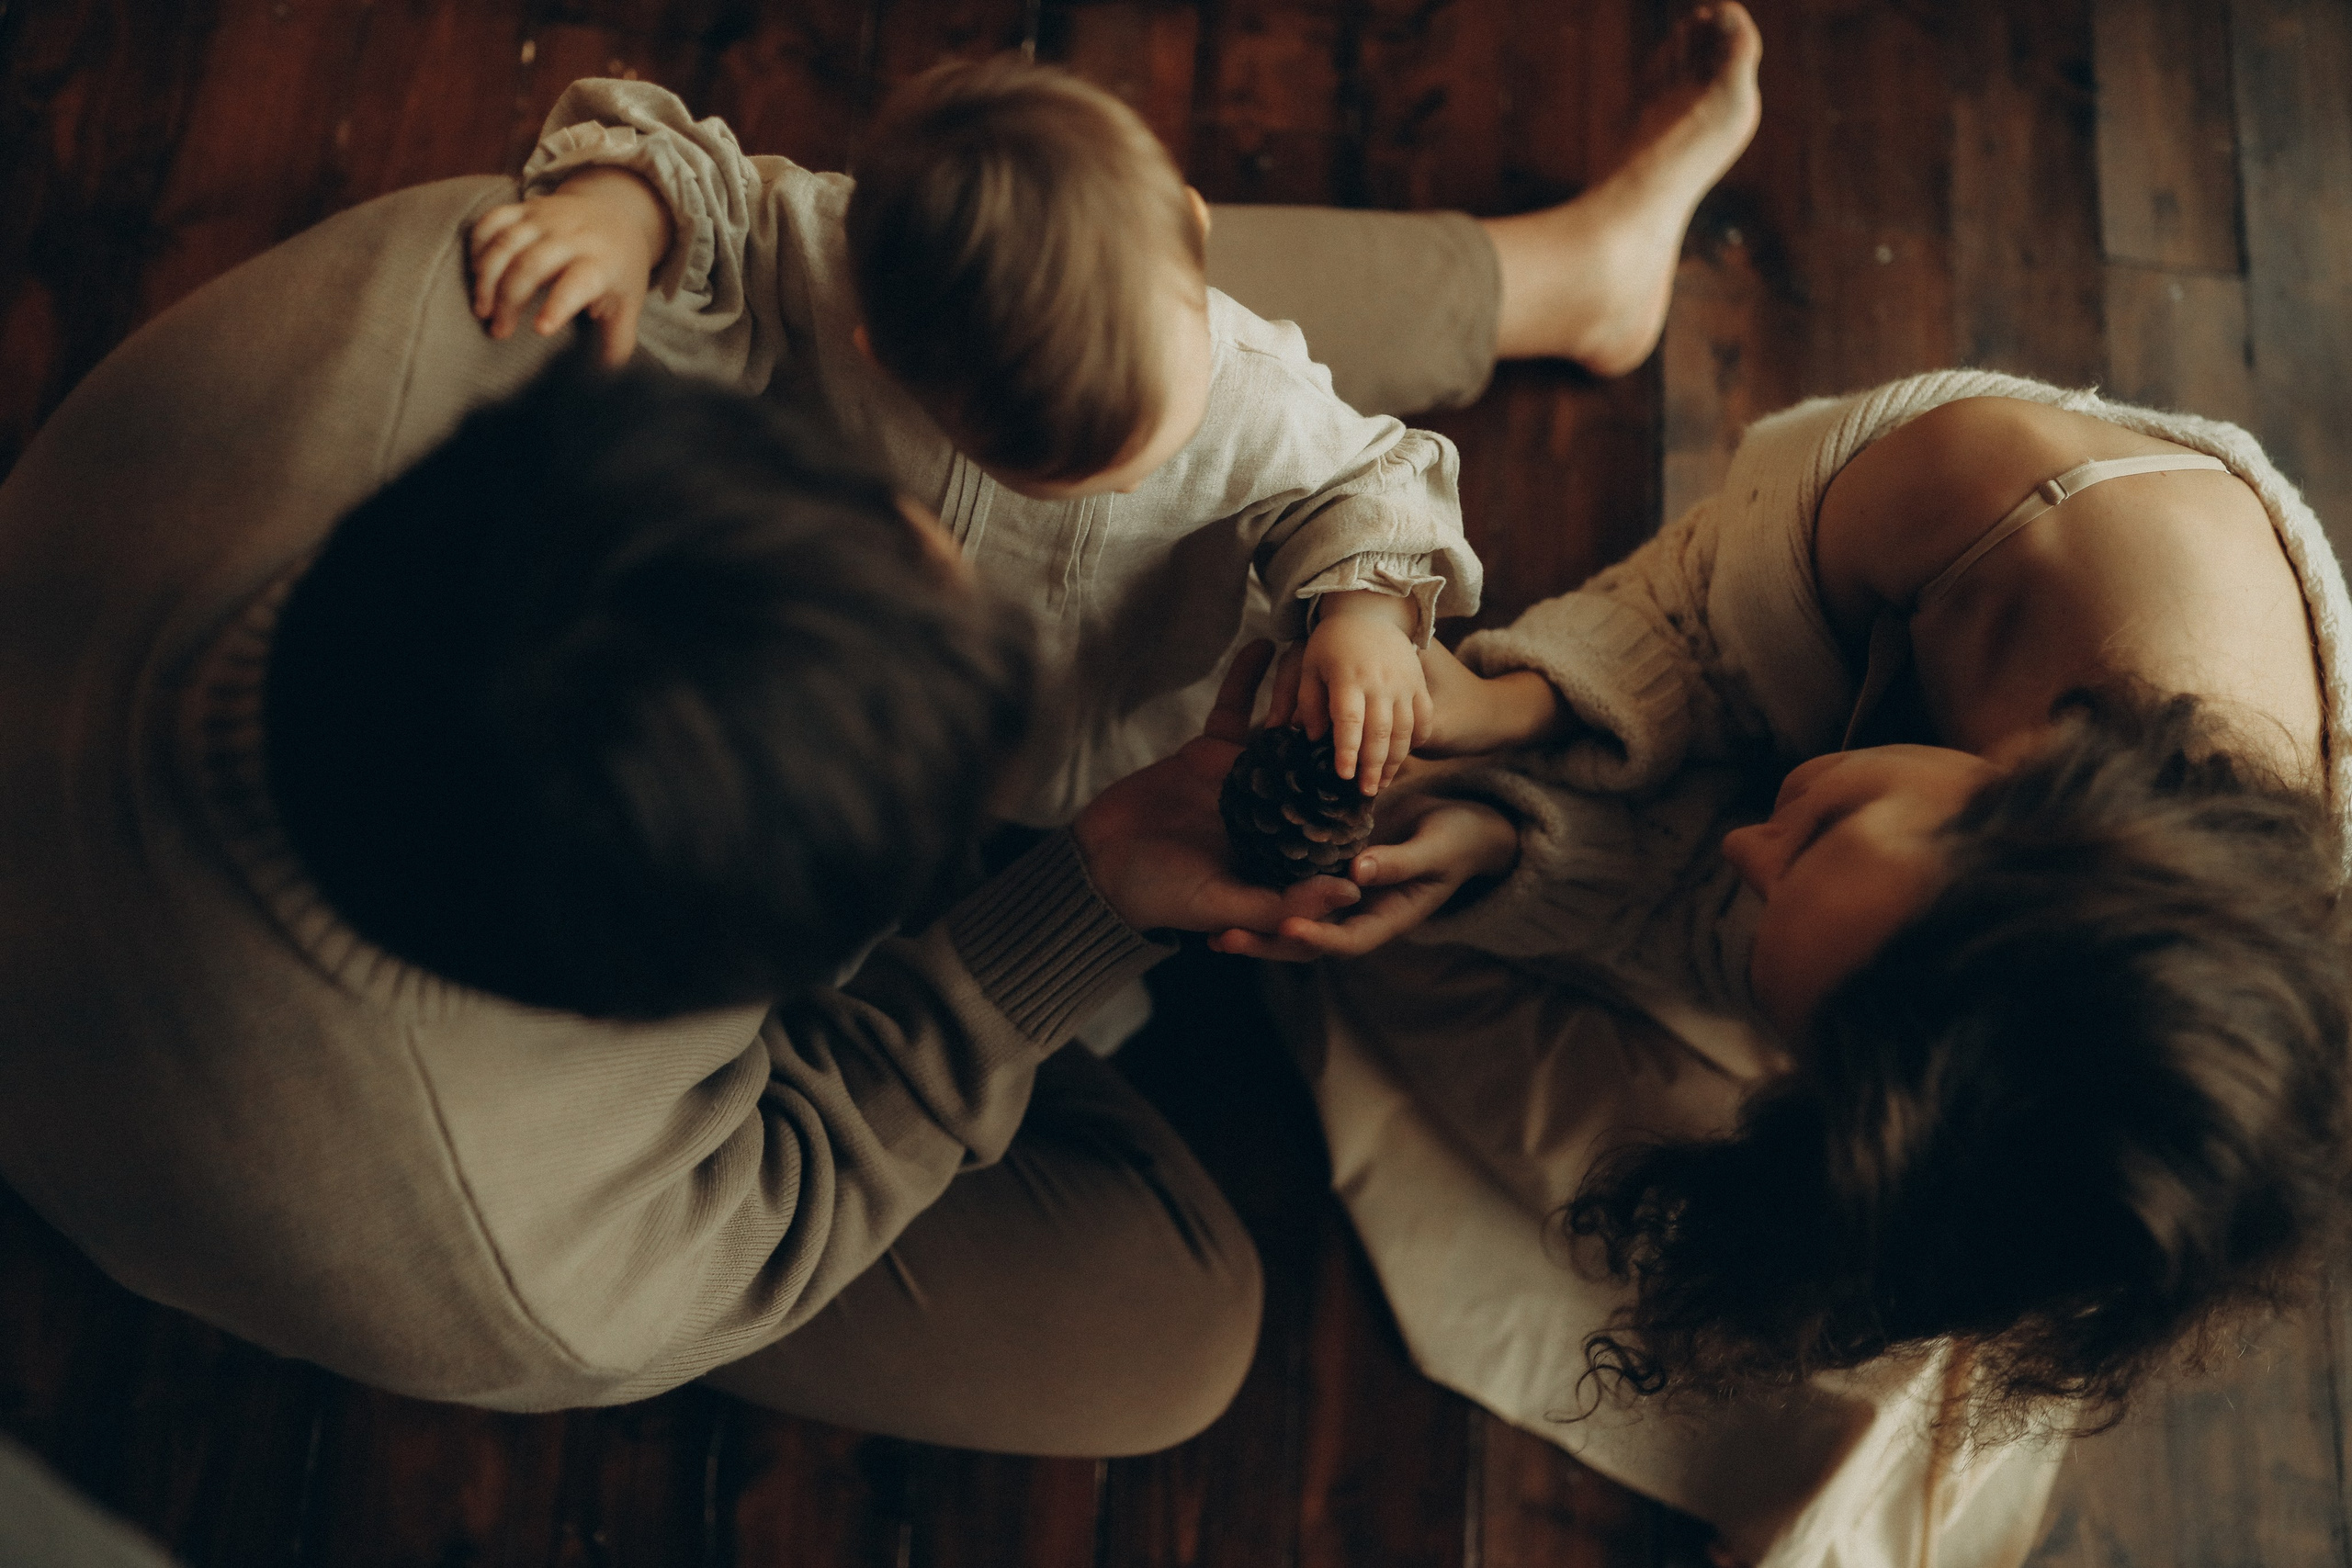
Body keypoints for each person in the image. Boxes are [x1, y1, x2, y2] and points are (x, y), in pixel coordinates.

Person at [0, 9, 1762, 1461]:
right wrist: (1073, 902)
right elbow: (803, 1149)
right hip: (268, 1169)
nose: (968, 540)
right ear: (717, 993)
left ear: (585, 440)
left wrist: (635, 195)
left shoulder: (470, 303)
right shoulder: (524, 1258)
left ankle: (1549, 280)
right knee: (1175, 1340)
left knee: (1040, 306)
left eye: (869, 506)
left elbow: (770, 241)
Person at [1220, 372, 2352, 1562]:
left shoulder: (2177, 1001)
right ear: (2024, 794)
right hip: (1841, 582)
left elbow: (1732, 911)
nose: (1750, 841)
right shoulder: (1990, 495)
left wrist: (1518, 843)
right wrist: (1513, 710)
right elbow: (1697, 631)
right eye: (1819, 830)